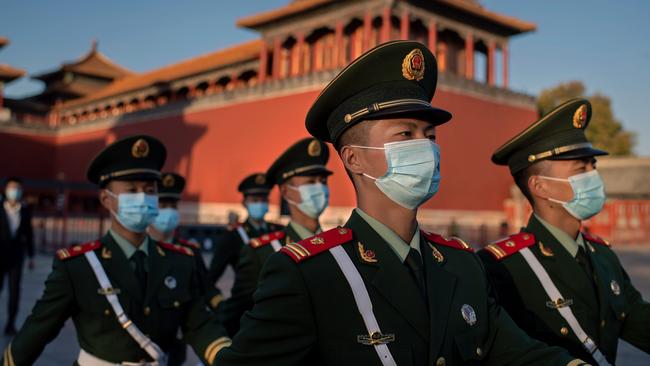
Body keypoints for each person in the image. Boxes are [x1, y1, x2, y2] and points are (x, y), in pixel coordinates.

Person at [214, 41, 588, 365]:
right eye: (405, 134)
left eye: (429, 135)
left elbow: (512, 351)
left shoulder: (462, 265)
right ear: (353, 158)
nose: (425, 147)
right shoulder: (310, 275)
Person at [1, 135, 230, 365]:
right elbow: (37, 332)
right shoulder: (79, 266)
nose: (143, 197)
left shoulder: (180, 262)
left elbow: (199, 325)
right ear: (106, 199)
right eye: (131, 190)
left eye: (150, 190)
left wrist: (229, 357)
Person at [478, 99, 650, 365]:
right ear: (540, 187)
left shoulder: (603, 256)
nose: (594, 175)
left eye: (593, 166)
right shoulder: (502, 267)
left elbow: (639, 320)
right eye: (581, 169)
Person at [218, 137, 332, 336]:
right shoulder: (261, 254)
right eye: (310, 182)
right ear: (287, 192)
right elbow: (236, 315)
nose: (320, 188)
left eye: (323, 181)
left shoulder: (339, 245)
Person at [147, 172, 214, 366]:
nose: (168, 211)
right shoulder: (139, 251)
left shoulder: (189, 251)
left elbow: (206, 288)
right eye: (163, 205)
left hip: (176, 339)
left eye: (173, 206)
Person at [207, 173, 282, 306]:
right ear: (244, 203)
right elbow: (210, 278)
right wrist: (219, 303)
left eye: (263, 199)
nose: (260, 204)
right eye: (254, 200)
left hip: (278, 302)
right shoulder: (233, 236)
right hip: (247, 305)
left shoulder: (279, 231)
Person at [0, 177, 34, 336]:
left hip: (16, 257)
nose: (14, 191)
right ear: (5, 189)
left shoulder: (25, 210)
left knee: (14, 292)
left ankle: (10, 324)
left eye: (17, 188)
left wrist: (31, 256)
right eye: (12, 187)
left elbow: (29, 234)